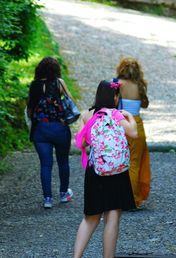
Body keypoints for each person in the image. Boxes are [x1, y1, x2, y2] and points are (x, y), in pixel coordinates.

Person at [73, 80, 138, 258]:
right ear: (115, 97)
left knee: (90, 218)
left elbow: (80, 142)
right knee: (112, 218)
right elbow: (133, 133)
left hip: (95, 170)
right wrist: (130, 117)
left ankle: (76, 256)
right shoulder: (116, 114)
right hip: (116, 171)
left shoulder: (87, 114)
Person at [27, 57, 73, 208]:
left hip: (41, 130)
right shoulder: (59, 83)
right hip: (60, 128)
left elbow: (30, 110)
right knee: (63, 162)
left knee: (45, 165)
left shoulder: (35, 86)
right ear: (56, 70)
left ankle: (48, 199)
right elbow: (70, 102)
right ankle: (64, 194)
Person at [115, 56, 151, 209]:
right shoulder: (140, 85)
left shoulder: (116, 84)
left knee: (118, 161)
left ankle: (117, 197)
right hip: (136, 124)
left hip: (120, 123)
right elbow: (145, 104)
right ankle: (132, 198)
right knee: (134, 162)